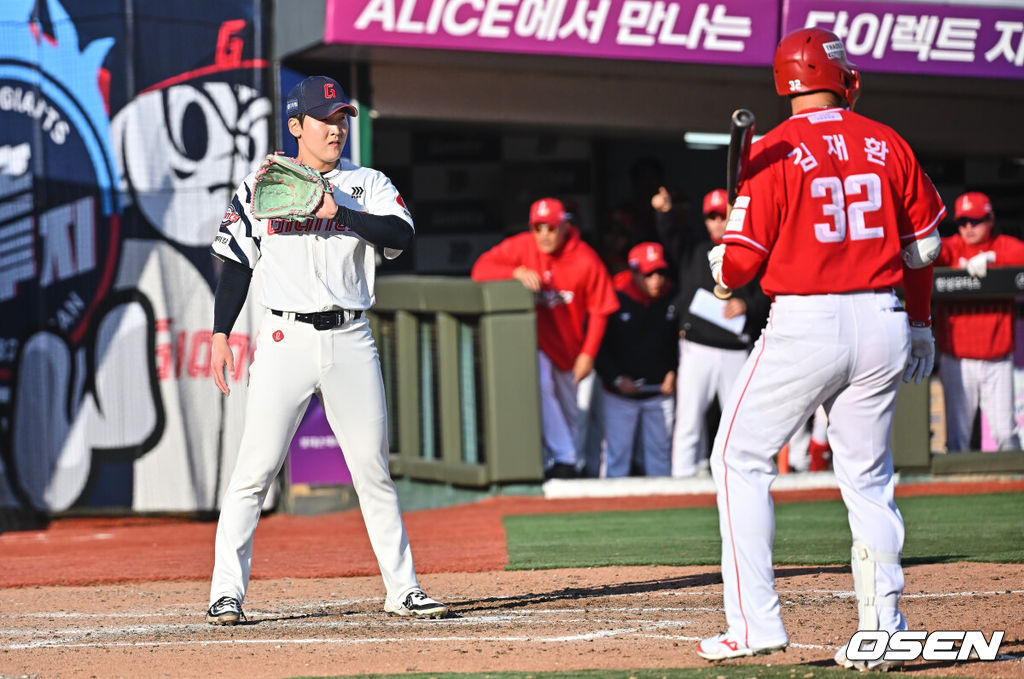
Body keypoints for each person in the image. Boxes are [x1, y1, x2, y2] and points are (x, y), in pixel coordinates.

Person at [694, 28, 946, 671]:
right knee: (869, 479)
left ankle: (754, 624)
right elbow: (923, 248)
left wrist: (722, 261)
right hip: (884, 318)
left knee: (738, 458)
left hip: (807, 320)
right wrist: (921, 322)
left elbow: (740, 268)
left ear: (785, 83)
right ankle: (883, 630)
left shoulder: (773, 149)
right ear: (842, 79)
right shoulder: (887, 140)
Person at [205, 75, 447, 625]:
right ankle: (226, 592)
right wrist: (221, 333)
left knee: (372, 469)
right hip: (284, 339)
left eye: (342, 119)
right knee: (254, 471)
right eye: (325, 119)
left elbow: (402, 236)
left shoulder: (367, 183)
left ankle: (403, 588)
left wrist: (340, 212)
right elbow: (237, 263)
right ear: (296, 126)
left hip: (350, 336)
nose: (337, 128)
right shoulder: (261, 184)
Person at [471, 197, 619, 478]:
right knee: (540, 385)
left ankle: (573, 466)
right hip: (538, 342)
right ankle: (563, 458)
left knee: (573, 414)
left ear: (565, 227)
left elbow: (601, 310)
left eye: (550, 228)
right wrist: (514, 271)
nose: (544, 235)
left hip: (571, 349)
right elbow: (480, 270)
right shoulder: (522, 246)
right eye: (538, 228)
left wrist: (588, 354)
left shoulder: (585, 258)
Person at [670, 189, 770, 478]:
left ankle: (742, 475)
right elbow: (671, 235)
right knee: (688, 418)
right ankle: (681, 478)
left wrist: (747, 305)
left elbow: (768, 291)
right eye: (711, 217)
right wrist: (665, 213)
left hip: (735, 348)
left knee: (740, 420)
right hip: (697, 346)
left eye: (723, 216)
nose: (718, 222)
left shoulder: (751, 251)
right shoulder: (694, 249)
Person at [933, 191, 1024, 451]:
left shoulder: (1003, 246)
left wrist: (993, 259)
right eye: (963, 221)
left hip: (997, 361)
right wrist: (960, 269)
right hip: (957, 361)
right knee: (957, 440)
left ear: (990, 219)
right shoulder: (951, 247)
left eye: (975, 220)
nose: (969, 228)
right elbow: (921, 257)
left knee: (1006, 435)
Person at [595, 242, 678, 477]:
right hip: (620, 395)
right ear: (633, 273)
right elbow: (598, 346)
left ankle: (663, 500)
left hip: (659, 393)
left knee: (660, 457)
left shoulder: (673, 295)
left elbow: (680, 341)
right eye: (648, 274)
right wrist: (616, 378)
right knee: (617, 458)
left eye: (660, 272)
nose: (656, 280)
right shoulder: (614, 296)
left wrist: (673, 371)